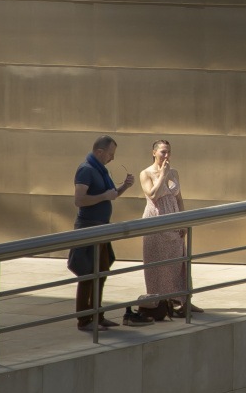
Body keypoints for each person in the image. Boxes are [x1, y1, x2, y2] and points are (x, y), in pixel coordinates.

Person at [67, 135, 152, 331]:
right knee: (88, 273)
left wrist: (123, 187)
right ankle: (84, 319)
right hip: (89, 228)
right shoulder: (86, 170)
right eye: (110, 154)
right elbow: (79, 200)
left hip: (102, 228)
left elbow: (109, 196)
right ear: (99, 152)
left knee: (102, 272)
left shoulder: (101, 170)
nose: (112, 158)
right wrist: (104, 195)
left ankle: (97, 314)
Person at [139, 140, 202, 317]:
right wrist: (162, 175)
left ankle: (184, 301)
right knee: (159, 266)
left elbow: (179, 198)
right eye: (163, 152)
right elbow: (153, 195)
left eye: (169, 152)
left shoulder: (174, 172)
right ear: (154, 153)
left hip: (174, 221)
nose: (166, 156)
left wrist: (183, 221)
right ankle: (160, 303)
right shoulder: (146, 173)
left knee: (179, 263)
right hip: (156, 222)